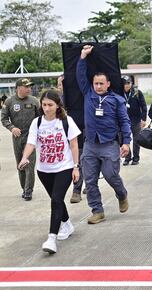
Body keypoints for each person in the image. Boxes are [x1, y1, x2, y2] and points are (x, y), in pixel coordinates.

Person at [17, 89, 81, 254]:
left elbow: (74, 145)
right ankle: (67, 224)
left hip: (64, 167)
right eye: (44, 105)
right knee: (56, 200)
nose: (46, 108)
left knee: (56, 200)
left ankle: (51, 238)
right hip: (44, 170)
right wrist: (25, 157)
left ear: (58, 105)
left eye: (50, 105)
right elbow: (31, 143)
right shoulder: (37, 123)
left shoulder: (66, 121)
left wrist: (76, 166)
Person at [76, 45, 131, 224]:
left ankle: (122, 194)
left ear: (108, 84)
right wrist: (83, 56)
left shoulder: (117, 100)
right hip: (91, 144)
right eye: (96, 83)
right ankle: (97, 210)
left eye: (101, 83)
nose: (98, 86)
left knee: (111, 175)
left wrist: (126, 142)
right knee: (90, 180)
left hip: (109, 144)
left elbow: (124, 122)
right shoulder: (88, 94)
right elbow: (80, 76)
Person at [1, 78, 40, 201]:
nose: (29, 89)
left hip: (31, 137)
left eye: (30, 86)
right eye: (26, 86)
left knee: (29, 164)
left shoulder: (34, 101)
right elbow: (4, 119)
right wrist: (12, 128)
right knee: (20, 164)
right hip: (17, 137)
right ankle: (24, 188)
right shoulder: (9, 102)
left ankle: (29, 190)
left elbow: (40, 119)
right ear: (18, 88)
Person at [56, 74, 85, 204]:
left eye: (62, 84)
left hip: (82, 133)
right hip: (67, 136)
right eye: (59, 84)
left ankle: (77, 190)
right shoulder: (58, 101)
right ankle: (80, 188)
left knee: (81, 162)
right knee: (75, 163)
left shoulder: (80, 97)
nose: (60, 87)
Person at [122, 75, 147, 166]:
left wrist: (143, 119)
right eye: (125, 84)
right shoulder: (120, 93)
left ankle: (136, 158)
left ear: (131, 83)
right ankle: (127, 157)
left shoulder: (137, 93)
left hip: (136, 120)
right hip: (124, 121)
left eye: (129, 83)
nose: (127, 85)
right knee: (125, 139)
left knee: (136, 139)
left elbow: (144, 106)